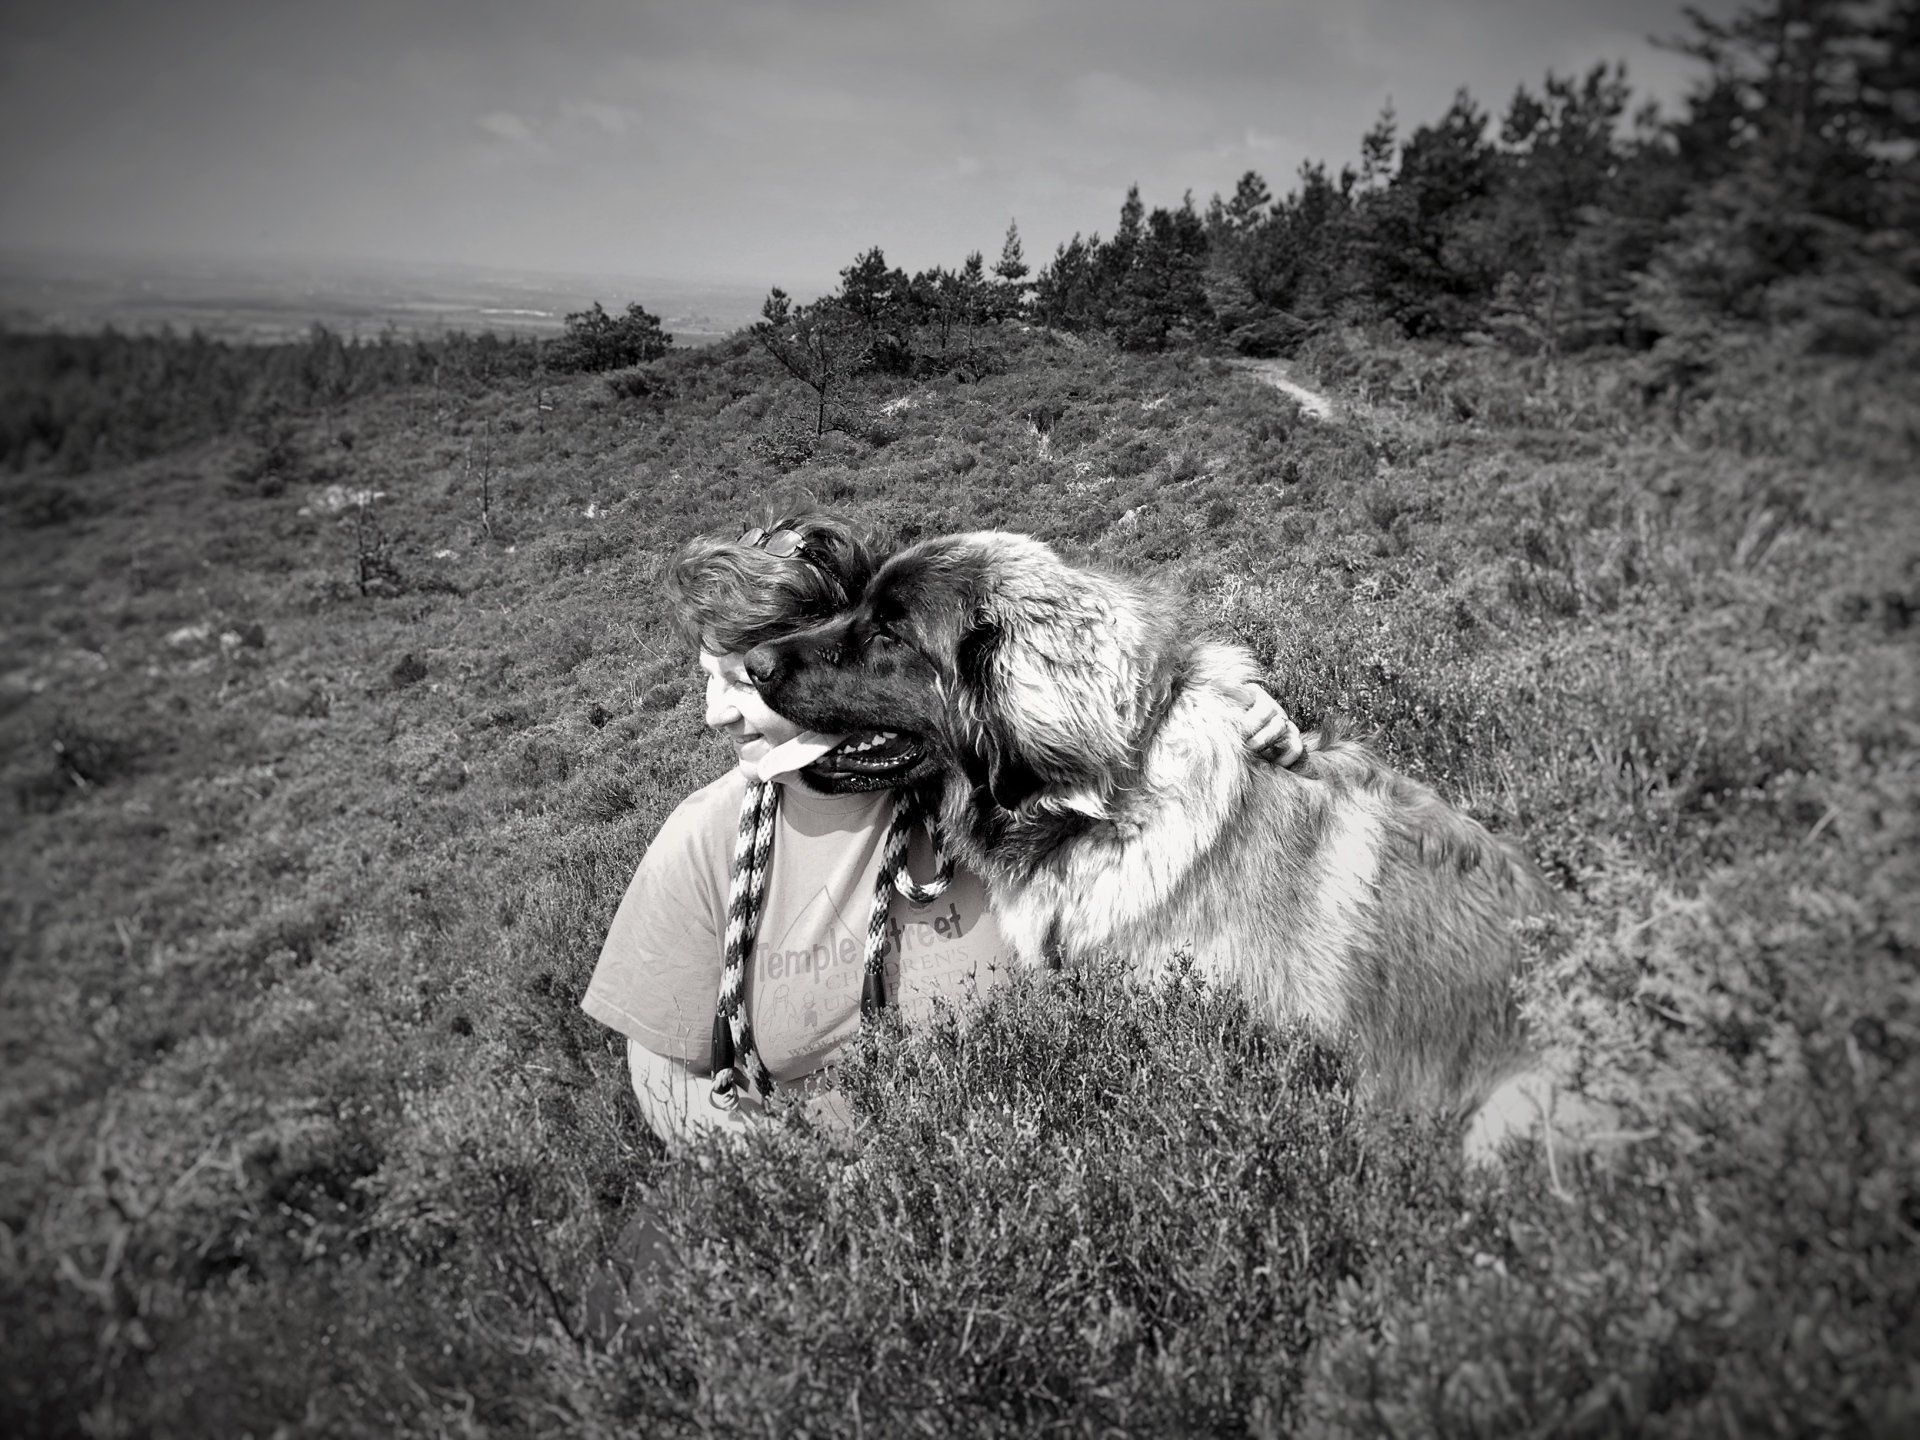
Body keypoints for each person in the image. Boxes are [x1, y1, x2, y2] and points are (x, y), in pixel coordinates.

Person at [581, 511, 1306, 1149]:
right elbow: (658, 1070)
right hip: (795, 1182)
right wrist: (773, 1176)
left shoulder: (981, 798)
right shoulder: (710, 838)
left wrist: (1235, 709)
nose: (716, 713)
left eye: (746, 679)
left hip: (1007, 1157)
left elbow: (1113, 726)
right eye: (710, 677)